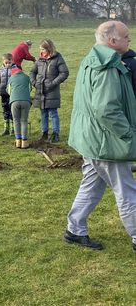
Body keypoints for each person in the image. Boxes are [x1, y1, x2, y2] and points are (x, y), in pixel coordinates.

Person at [64, 20, 136, 251]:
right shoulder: (107, 67)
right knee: (126, 190)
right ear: (112, 41)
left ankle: (74, 230)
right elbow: (106, 109)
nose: (130, 40)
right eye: (126, 37)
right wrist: (127, 134)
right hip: (105, 141)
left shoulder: (91, 59)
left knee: (91, 185)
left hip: (90, 138)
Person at [29, 39, 69, 143]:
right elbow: (32, 72)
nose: (41, 51)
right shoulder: (40, 60)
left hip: (52, 91)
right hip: (40, 90)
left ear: (49, 49)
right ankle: (44, 133)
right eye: (40, 49)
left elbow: (64, 73)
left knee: (53, 113)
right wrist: (34, 83)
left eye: (43, 49)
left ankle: (55, 134)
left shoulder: (58, 58)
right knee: (43, 113)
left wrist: (53, 83)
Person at [7, 67, 32, 148]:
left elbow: (8, 90)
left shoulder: (11, 78)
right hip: (26, 101)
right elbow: (30, 88)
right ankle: (24, 142)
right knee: (24, 120)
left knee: (16, 120)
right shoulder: (27, 77)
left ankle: (18, 141)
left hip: (14, 101)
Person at [0, 53, 14, 136]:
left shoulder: (16, 70)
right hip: (3, 94)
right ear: (3, 62)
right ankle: (6, 129)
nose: (8, 64)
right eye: (6, 63)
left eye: (9, 62)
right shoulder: (0, 70)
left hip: (13, 94)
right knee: (5, 111)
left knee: (12, 111)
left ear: (12, 61)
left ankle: (13, 129)